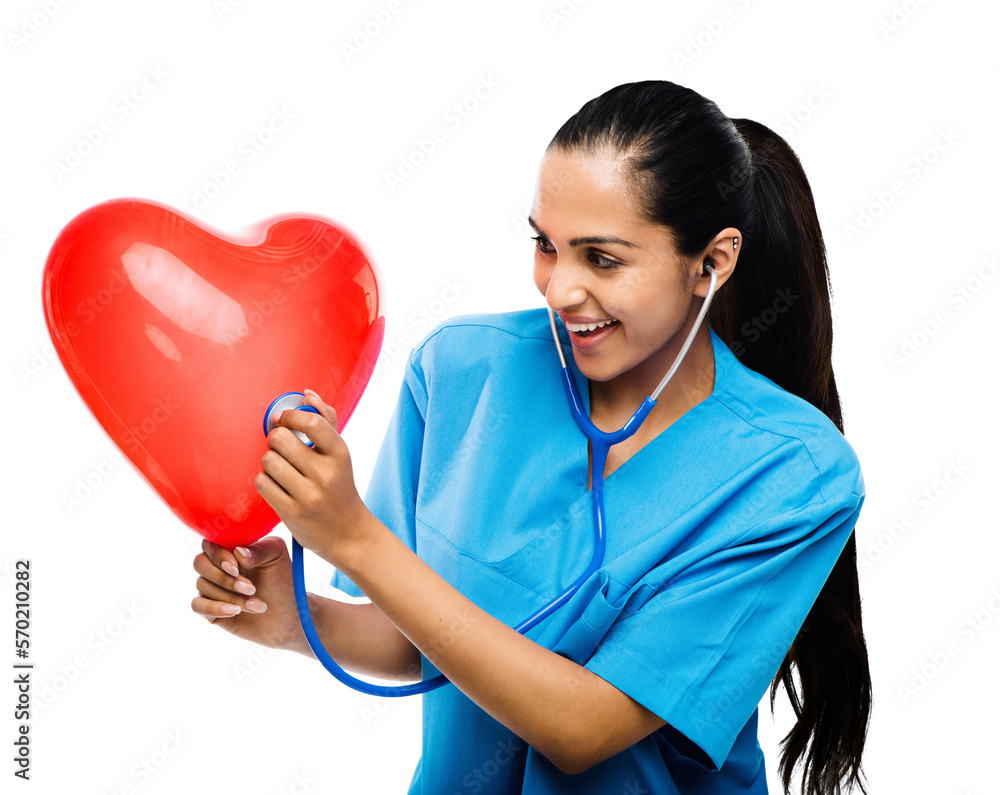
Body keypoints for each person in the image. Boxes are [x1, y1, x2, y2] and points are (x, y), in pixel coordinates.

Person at [191, 80, 872, 794]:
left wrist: (354, 537)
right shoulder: (459, 370)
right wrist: (293, 619)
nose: (559, 289)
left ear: (712, 261)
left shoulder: (795, 473)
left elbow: (582, 728)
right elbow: (421, 636)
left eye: (602, 259)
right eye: (546, 245)